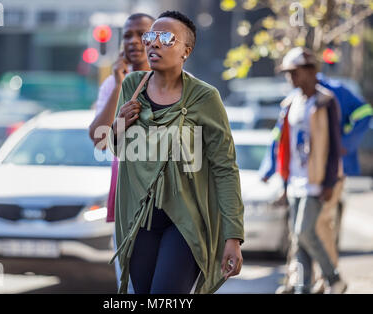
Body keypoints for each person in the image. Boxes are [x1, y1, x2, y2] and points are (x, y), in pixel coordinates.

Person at [104, 10, 244, 294]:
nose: (154, 43)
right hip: (139, 220)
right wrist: (119, 125)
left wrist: (233, 236)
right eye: (151, 36)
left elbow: (224, 167)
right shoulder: (132, 87)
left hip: (185, 222)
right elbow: (120, 151)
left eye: (166, 38)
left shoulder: (205, 98)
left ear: (186, 51)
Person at [260, 48, 372, 293]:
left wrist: (347, 145)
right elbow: (281, 140)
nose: (290, 78)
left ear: (311, 71)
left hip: (318, 180)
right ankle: (302, 287)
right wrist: (273, 171)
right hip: (295, 181)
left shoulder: (330, 96)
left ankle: (333, 279)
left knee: (306, 231)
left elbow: (360, 117)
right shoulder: (291, 101)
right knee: (298, 238)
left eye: (294, 72)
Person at [88, 12, 154, 293]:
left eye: (142, 34)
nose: (133, 41)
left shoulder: (175, 81)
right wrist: (118, 83)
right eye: (127, 35)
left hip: (167, 199)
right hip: (125, 197)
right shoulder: (112, 84)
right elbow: (99, 138)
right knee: (128, 285)